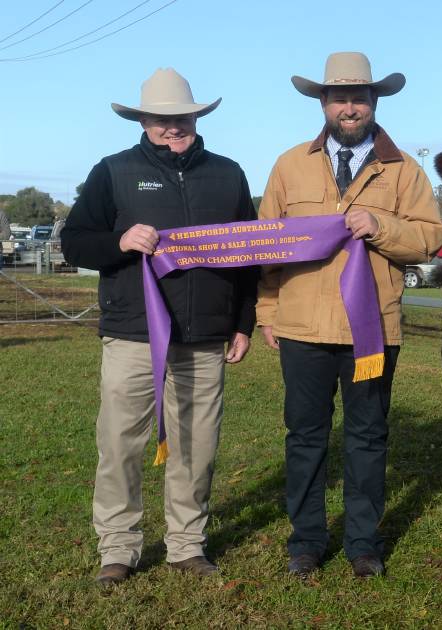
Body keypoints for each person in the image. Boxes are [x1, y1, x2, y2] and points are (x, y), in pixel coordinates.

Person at [61, 68, 257, 587]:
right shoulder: (113, 172)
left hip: (205, 338)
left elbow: (248, 256)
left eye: (181, 117)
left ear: (196, 116)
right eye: (162, 119)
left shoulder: (229, 174)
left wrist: (242, 323)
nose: (173, 127)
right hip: (132, 335)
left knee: (197, 445)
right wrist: (120, 241)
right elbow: (75, 241)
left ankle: (187, 544)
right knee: (120, 444)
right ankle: (118, 548)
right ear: (143, 120)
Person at [256, 52, 442, 579]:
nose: (349, 106)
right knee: (305, 436)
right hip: (301, 328)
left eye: (359, 97)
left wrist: (380, 224)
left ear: (374, 101)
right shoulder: (289, 165)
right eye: (339, 97)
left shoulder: (405, 169)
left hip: (373, 330)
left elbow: (432, 237)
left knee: (367, 437)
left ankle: (363, 543)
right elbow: (267, 244)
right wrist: (267, 309)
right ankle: (307, 542)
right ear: (322, 102)